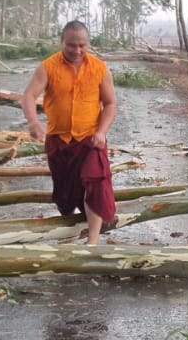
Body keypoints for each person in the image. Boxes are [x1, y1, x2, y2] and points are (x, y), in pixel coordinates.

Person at [21, 21, 119, 244]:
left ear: (88, 43)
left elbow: (111, 104)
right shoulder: (48, 67)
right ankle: (69, 233)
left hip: (90, 140)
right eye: (71, 45)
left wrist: (102, 132)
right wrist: (34, 122)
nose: (77, 50)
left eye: (82, 45)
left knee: (95, 181)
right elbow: (28, 96)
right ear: (62, 43)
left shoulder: (100, 68)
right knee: (65, 194)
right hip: (59, 141)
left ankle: (92, 242)